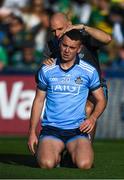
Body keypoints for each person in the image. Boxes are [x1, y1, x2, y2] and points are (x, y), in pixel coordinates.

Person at [28, 29, 106, 169]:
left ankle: (70, 154)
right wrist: (32, 132)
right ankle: (53, 153)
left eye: (72, 47)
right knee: (46, 164)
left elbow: (101, 100)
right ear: (59, 45)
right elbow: (38, 101)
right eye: (64, 45)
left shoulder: (89, 71)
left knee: (85, 164)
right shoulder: (47, 69)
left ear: (79, 49)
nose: (67, 50)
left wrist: (92, 118)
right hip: (52, 129)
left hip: (77, 131)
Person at [42, 12, 112, 142]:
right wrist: (44, 65)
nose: (57, 34)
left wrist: (84, 27)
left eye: (60, 29)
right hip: (70, 89)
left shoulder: (84, 37)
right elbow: (41, 76)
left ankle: (85, 146)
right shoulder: (51, 45)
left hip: (93, 88)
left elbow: (107, 39)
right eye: (53, 31)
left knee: (87, 109)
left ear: (69, 25)